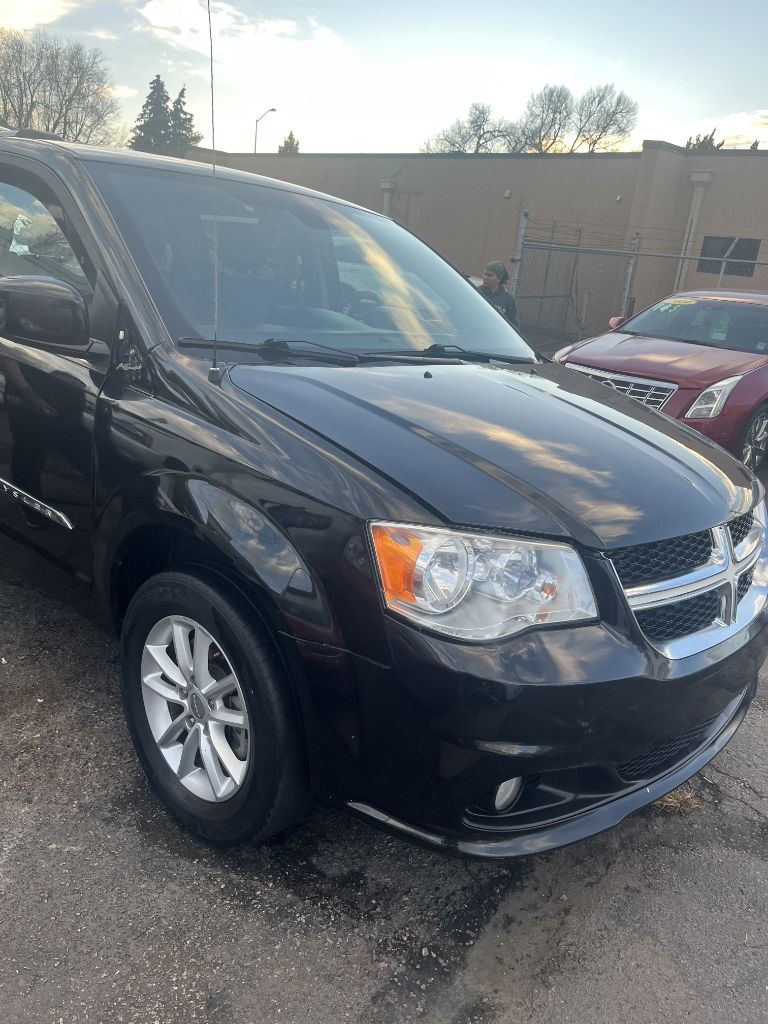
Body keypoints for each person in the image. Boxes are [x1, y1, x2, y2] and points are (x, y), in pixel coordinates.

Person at [477, 260, 519, 327]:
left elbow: (514, 325)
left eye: (490, 275)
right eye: (485, 274)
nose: (485, 278)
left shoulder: (507, 299)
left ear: (499, 278)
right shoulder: (476, 293)